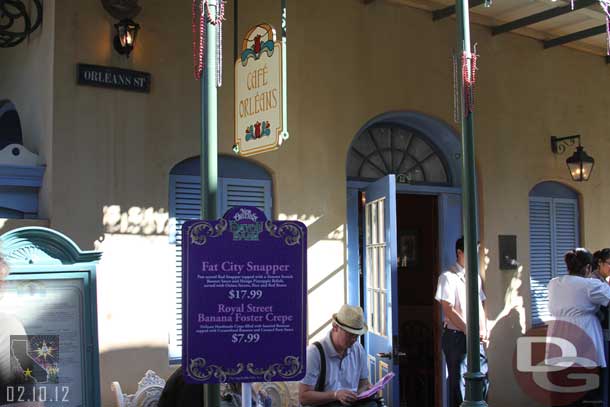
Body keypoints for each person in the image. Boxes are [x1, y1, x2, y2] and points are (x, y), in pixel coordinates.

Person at [547, 248, 610, 406]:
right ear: (589, 267)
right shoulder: (590, 285)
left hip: (558, 334)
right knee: (586, 389)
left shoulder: (554, 283)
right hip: (584, 336)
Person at [434, 236, 488, 407]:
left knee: (483, 379)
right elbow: (448, 309)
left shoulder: (475, 277)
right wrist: (468, 329)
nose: (475, 257)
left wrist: (484, 329)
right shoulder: (447, 277)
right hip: (456, 337)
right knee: (459, 384)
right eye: (472, 252)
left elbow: (480, 304)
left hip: (475, 337)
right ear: (460, 253)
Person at [299, 304, 376, 407]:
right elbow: (304, 397)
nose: (354, 339)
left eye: (356, 335)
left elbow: (364, 383)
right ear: (335, 327)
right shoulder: (314, 353)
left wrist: (365, 391)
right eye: (350, 334)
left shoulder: (358, 349)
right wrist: (335, 395)